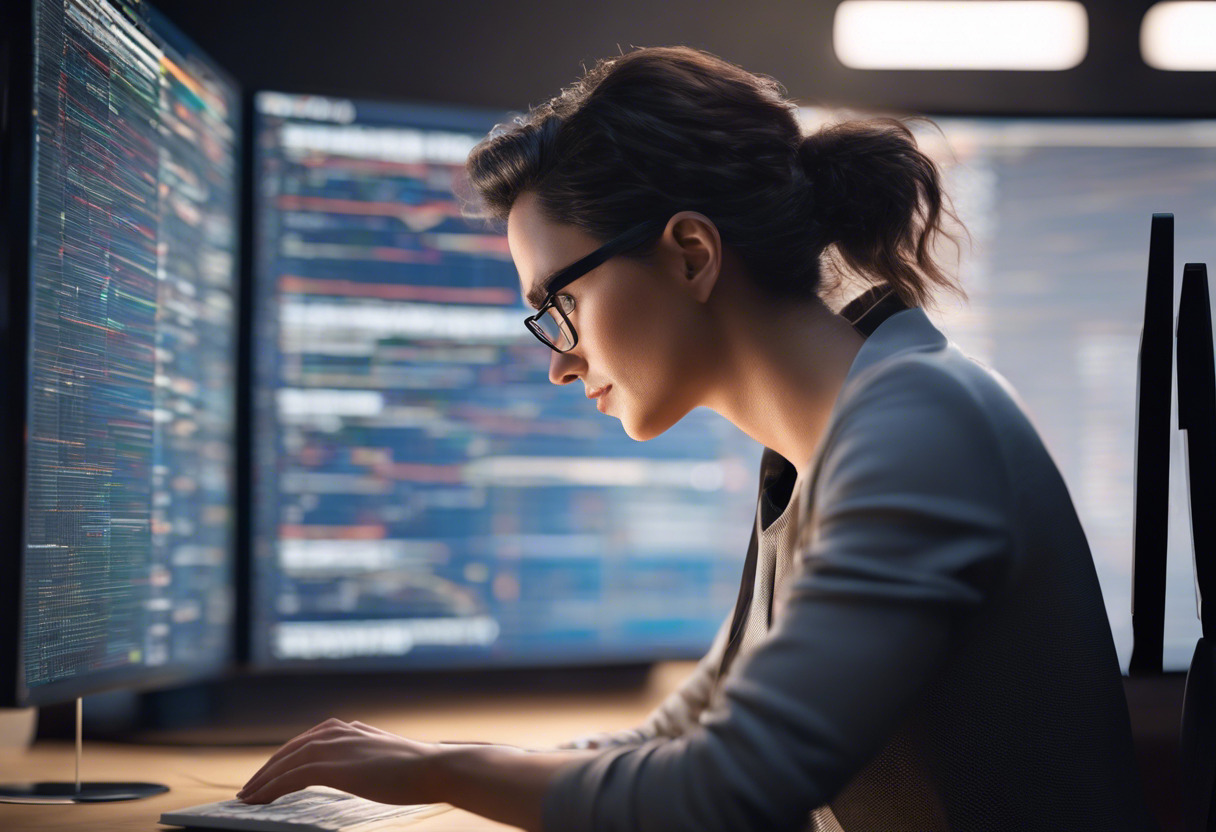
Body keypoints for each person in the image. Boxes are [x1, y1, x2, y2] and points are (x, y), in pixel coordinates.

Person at [236, 46, 1156, 831]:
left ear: (689, 254)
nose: (560, 361)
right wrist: (439, 766)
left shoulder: (915, 428)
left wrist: (437, 774)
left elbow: (732, 788)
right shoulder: (818, 445)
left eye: (561, 304)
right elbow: (689, 736)